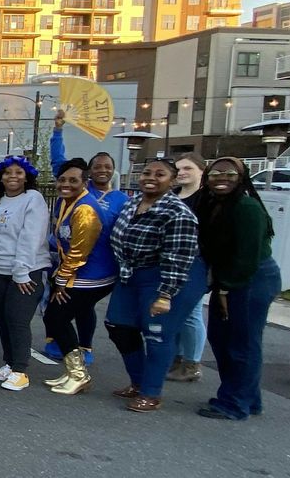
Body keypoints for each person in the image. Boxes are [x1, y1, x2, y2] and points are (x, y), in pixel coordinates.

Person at [106, 158, 199, 413]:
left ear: (171, 181)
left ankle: (151, 392)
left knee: (157, 335)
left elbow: (178, 257)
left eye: (160, 174)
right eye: (147, 172)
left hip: (158, 277)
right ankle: (138, 381)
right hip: (129, 275)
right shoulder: (133, 202)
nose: (151, 177)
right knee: (118, 327)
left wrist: (166, 294)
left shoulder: (178, 213)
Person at [196, 157, 281, 421]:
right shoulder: (213, 203)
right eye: (215, 173)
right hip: (230, 278)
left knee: (240, 343)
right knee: (222, 339)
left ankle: (235, 403)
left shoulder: (246, 207)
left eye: (230, 173)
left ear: (241, 177)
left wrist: (224, 289)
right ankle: (248, 398)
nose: (221, 178)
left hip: (250, 280)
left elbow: (247, 257)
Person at [46, 113, 131, 363]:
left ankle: (83, 350)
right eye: (97, 167)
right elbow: (60, 163)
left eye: (107, 167)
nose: (102, 170)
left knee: (67, 311)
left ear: (114, 170)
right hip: (68, 261)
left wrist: (62, 278)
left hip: (91, 266)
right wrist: (58, 131)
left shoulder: (120, 200)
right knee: (64, 310)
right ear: (89, 173)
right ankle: (62, 347)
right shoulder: (78, 190)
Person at [0, 156, 51, 391]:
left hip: (26, 272)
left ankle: (20, 370)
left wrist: (21, 271)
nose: (13, 177)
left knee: (18, 320)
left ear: (27, 176)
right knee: (4, 319)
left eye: (18, 172)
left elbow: (31, 237)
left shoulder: (33, 199)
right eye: (7, 172)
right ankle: (8, 363)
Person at [41, 159, 118, 395]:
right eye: (62, 179)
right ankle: (73, 372)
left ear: (85, 182)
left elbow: (78, 252)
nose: (66, 184)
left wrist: (62, 280)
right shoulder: (68, 203)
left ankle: (78, 374)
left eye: (73, 180)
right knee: (55, 318)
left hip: (90, 276)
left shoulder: (85, 209)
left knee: (56, 317)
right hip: (76, 272)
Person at [168, 153, 209, 383]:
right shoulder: (173, 196)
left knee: (191, 313)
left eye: (188, 168)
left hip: (196, 262)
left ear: (201, 171)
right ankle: (177, 357)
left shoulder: (207, 198)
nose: (182, 172)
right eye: (179, 169)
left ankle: (192, 363)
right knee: (173, 312)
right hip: (170, 262)